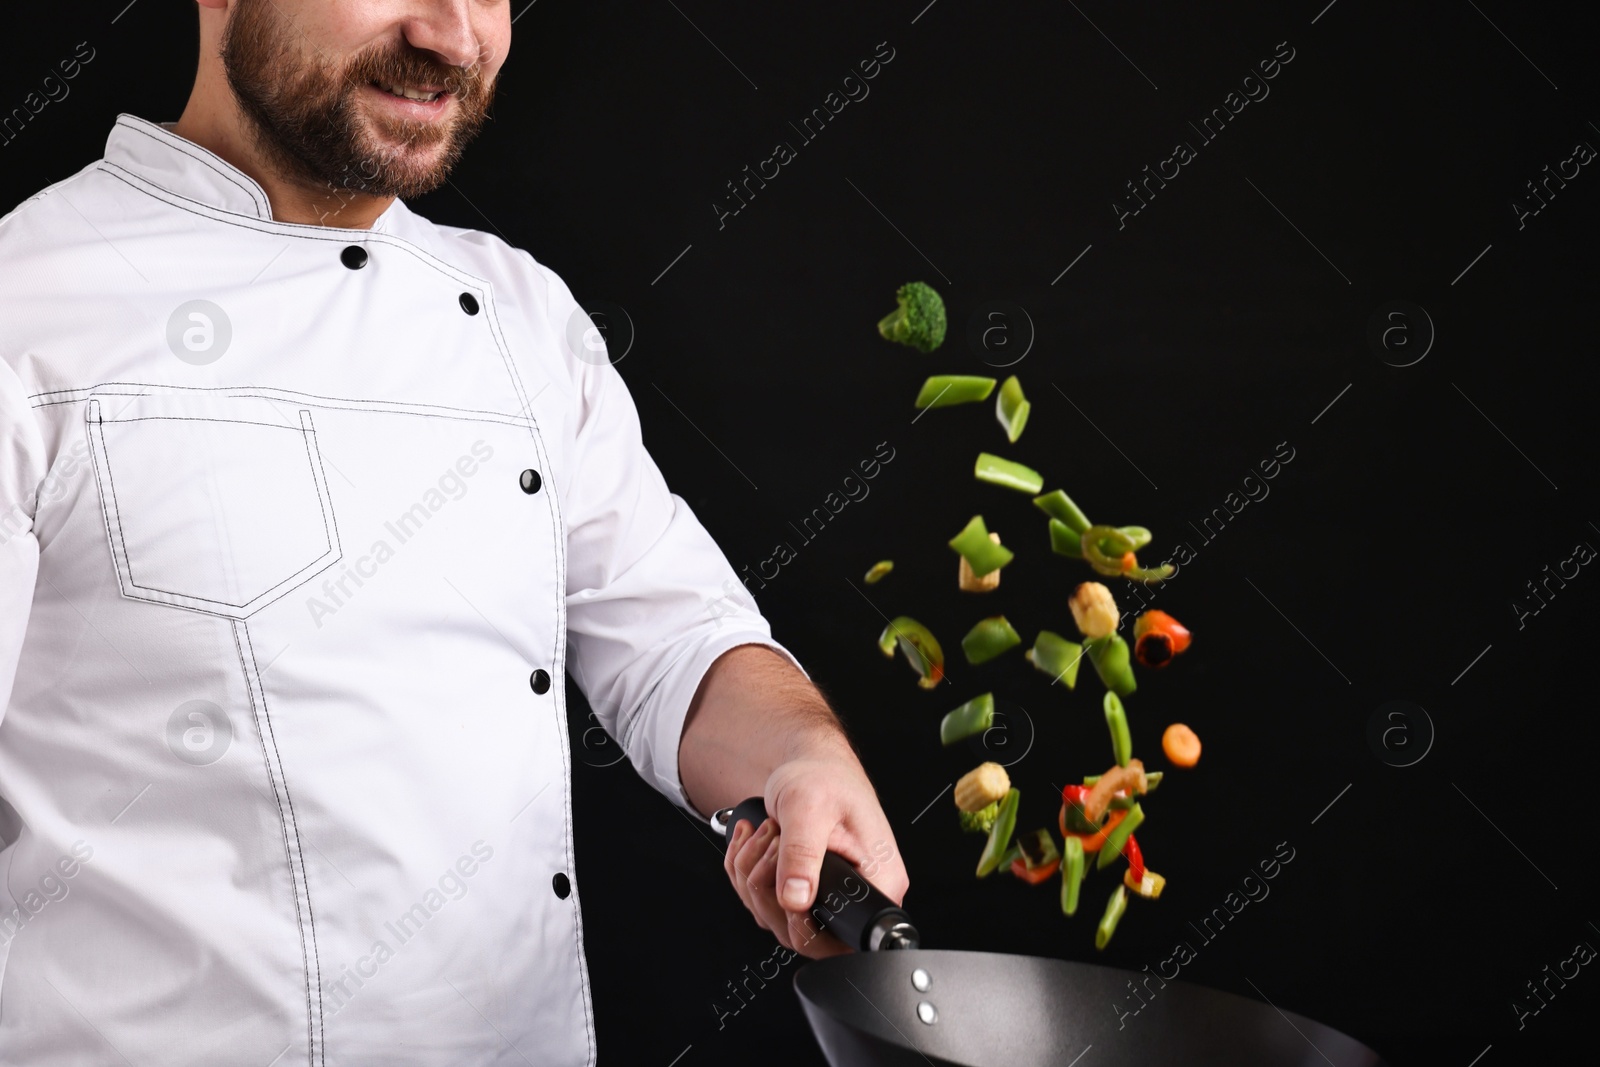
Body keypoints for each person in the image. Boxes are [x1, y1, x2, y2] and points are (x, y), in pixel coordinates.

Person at [0, 2, 908, 1063]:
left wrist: (803, 755)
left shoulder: (522, 314)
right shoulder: (32, 304)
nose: (452, 34)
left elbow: (674, 641)